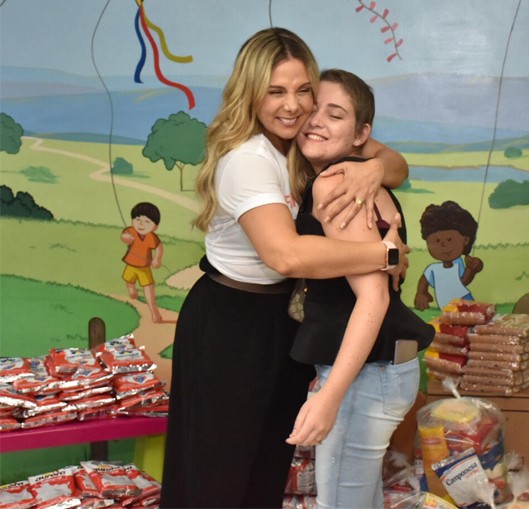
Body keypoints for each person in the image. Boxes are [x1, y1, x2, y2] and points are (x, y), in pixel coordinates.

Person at [160, 28, 411, 509]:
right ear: (251, 92)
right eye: (276, 91)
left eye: (303, 91)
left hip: (284, 320)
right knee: (217, 473)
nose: (293, 106)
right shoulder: (247, 161)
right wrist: (385, 256)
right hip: (230, 322)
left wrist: (373, 168)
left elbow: (393, 161)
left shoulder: (302, 142)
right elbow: (286, 256)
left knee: (264, 472)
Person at [286, 69, 436, 509]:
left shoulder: (336, 182)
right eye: (312, 110)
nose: (316, 121)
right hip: (382, 370)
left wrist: (329, 399)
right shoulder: (358, 174)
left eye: (335, 115)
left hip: (365, 375)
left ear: (360, 134)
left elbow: (373, 298)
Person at [414, 200, 484, 311]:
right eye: (437, 241)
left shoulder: (458, 264)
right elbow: (424, 280)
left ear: (465, 240)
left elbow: (462, 282)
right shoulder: (433, 269)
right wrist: (421, 293)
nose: (443, 245)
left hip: (464, 302)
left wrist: (471, 269)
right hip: (446, 309)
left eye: (449, 239)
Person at [120, 201, 163, 323]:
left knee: (149, 289)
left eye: (147, 221)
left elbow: (159, 247)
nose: (141, 224)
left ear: (154, 227)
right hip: (131, 265)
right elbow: (124, 236)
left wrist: (157, 259)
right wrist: (125, 238)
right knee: (128, 281)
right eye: (138, 219)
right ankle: (132, 290)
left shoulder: (151, 237)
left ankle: (154, 313)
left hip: (144, 268)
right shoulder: (131, 232)